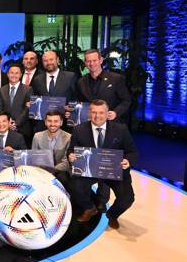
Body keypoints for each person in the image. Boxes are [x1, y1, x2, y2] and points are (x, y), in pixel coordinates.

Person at [67, 99, 137, 229]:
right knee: (74, 186)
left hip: (113, 170)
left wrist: (128, 161)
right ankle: (89, 208)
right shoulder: (79, 129)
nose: (97, 116)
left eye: (101, 112)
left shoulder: (120, 129)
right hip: (90, 170)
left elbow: (131, 151)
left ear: (107, 113)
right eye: (94, 112)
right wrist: (71, 156)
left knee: (127, 198)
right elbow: (71, 150)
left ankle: (112, 215)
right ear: (89, 113)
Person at [75, 48, 131, 123]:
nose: (91, 64)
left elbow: (126, 100)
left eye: (94, 60)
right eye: (88, 61)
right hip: (89, 123)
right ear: (85, 63)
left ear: (101, 60)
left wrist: (115, 113)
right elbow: (79, 103)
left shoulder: (116, 79)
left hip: (110, 123)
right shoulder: (81, 82)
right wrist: (72, 111)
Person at [31, 50, 77, 132]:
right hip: (43, 125)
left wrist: (71, 108)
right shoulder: (37, 79)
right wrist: (31, 104)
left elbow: (76, 98)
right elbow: (36, 98)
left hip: (64, 125)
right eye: (45, 60)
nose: (48, 63)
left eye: (51, 59)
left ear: (57, 60)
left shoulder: (70, 77)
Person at [31, 109, 71, 184]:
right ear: (45, 122)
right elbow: (34, 158)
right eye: (49, 121)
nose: (52, 124)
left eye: (56, 121)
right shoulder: (37, 136)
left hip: (60, 172)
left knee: (63, 177)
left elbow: (66, 163)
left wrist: (51, 170)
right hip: (41, 171)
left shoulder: (68, 138)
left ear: (61, 122)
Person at [0, 63, 33, 144]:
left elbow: (27, 109)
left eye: (17, 73)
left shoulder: (28, 89)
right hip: (5, 128)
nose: (14, 75)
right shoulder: (2, 90)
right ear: (8, 74)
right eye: (12, 73)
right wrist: (7, 123)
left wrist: (16, 123)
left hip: (22, 129)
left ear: (21, 75)